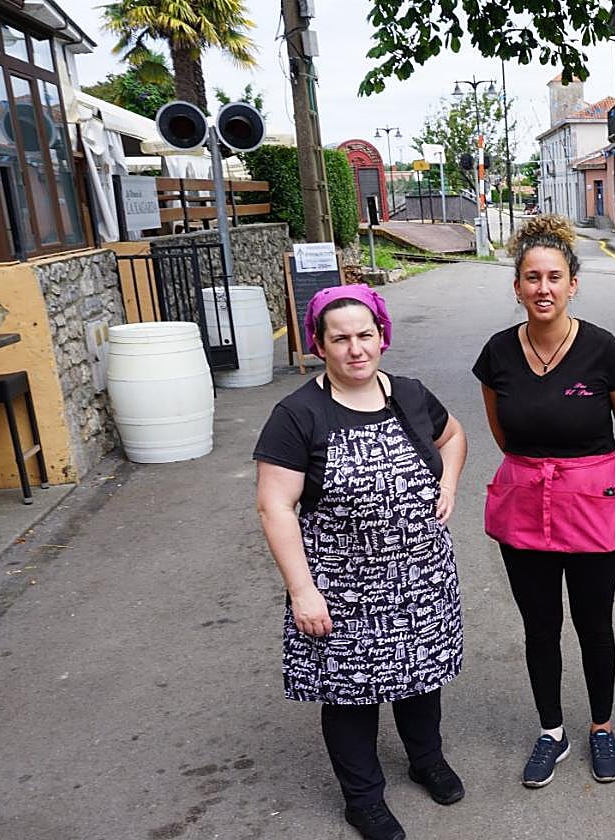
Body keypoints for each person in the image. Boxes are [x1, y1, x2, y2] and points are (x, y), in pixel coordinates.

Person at [254, 285, 467, 840]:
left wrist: (448, 483)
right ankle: (363, 798)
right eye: (340, 338)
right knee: (349, 693)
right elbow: (274, 505)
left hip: (421, 575)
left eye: (365, 335)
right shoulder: (298, 413)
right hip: (343, 584)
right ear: (319, 345)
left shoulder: (412, 395)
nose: (356, 349)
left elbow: (454, 436)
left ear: (382, 337)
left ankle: (427, 761)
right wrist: (302, 590)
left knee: (423, 678)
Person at [473, 215, 615, 788]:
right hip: (524, 502)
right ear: (517, 287)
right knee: (540, 625)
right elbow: (501, 431)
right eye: (531, 278)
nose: (542, 288)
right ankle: (552, 731)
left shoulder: (603, 351)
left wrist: (602, 487)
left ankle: (601, 727)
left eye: (553, 277)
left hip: (591, 503)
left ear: (573, 283)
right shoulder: (497, 353)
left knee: (594, 624)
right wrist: (537, 474)